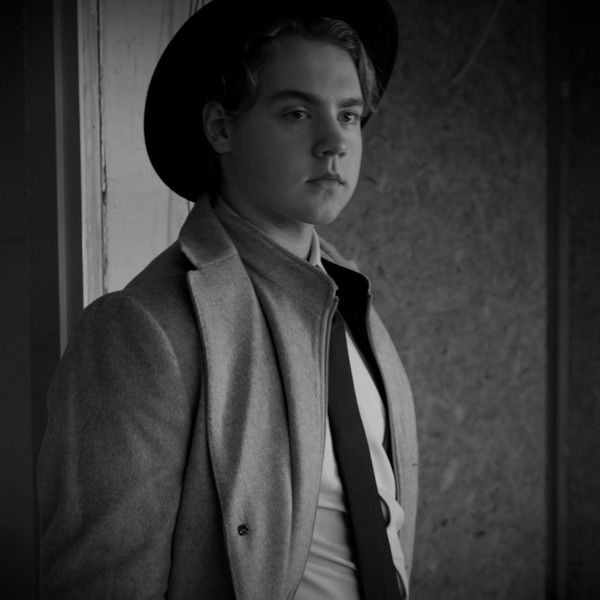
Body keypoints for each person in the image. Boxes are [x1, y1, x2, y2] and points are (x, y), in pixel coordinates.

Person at [37, 0, 419, 598]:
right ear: (220, 128)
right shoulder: (142, 331)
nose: (335, 143)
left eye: (348, 115)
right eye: (297, 112)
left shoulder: (350, 298)